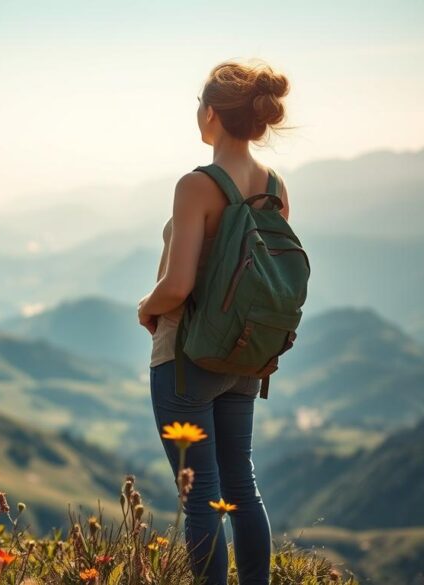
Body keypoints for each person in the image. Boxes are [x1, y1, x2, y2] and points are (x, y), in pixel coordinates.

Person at [137, 60, 291, 585]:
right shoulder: (274, 186)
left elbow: (178, 286)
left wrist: (147, 306)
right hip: (246, 353)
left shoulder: (197, 185)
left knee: (199, 494)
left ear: (210, 114)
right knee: (241, 486)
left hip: (188, 354)